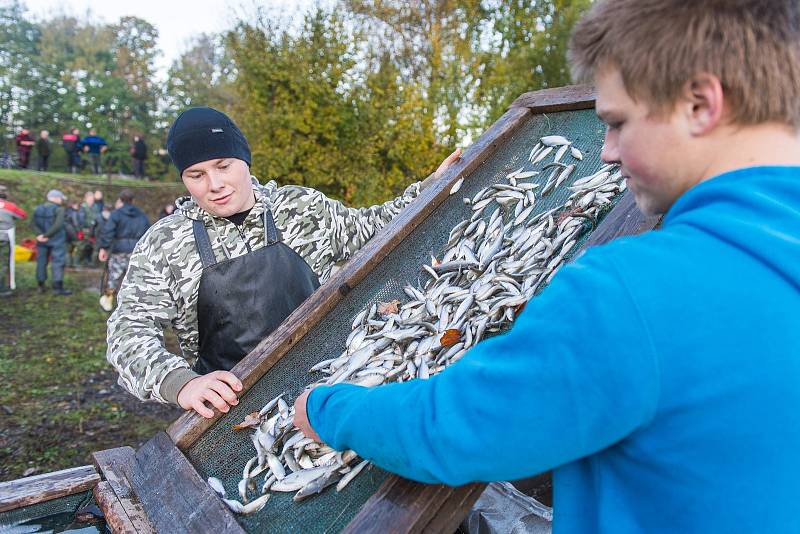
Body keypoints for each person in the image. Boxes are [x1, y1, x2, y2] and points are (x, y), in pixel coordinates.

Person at [293, 1, 800, 532]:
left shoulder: (630, 292)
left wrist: (327, 409)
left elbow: (451, 427)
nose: (605, 152)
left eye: (617, 122)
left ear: (700, 105)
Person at [106, 106, 460, 417]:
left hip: (332, 388)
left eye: (223, 165)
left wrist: (429, 187)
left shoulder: (302, 208)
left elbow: (371, 228)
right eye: (196, 175)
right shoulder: (165, 244)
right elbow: (128, 331)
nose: (214, 184)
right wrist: (180, 384)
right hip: (233, 413)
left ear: (244, 159)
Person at [97, 189, 149, 311]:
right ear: (133, 200)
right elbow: (148, 232)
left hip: (118, 250)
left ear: (120, 200)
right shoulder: (142, 215)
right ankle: (134, 304)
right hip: (136, 250)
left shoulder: (116, 214)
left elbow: (108, 232)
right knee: (135, 277)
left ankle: (108, 302)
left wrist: (103, 248)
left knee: (114, 276)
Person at [32, 190, 72, 295]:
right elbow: (58, 225)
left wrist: (40, 235)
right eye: (60, 198)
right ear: (55, 198)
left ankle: (41, 285)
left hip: (41, 240)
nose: (61, 200)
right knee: (58, 262)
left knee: (41, 262)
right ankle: (57, 288)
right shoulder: (59, 209)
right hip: (56, 240)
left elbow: (33, 224)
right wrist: (47, 236)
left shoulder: (38, 208)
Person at [0, 185, 27, 297]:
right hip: (4, 239)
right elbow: (23, 215)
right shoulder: (10, 206)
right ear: (5, 194)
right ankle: (1, 288)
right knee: (2, 263)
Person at [77, 191, 98, 267]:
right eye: (89, 199)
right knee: (82, 246)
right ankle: (79, 262)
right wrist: (84, 228)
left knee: (92, 247)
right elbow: (81, 219)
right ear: (86, 199)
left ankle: (90, 262)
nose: (91, 201)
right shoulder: (83, 207)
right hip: (85, 230)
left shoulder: (95, 207)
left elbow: (97, 217)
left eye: (92, 199)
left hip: (94, 229)